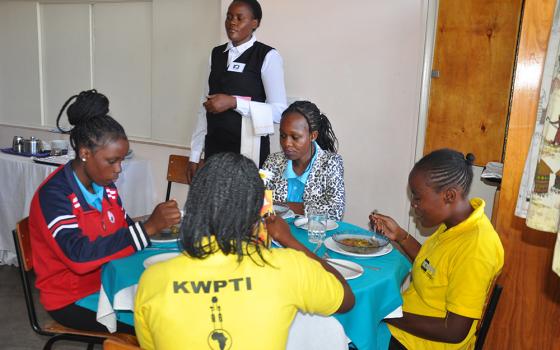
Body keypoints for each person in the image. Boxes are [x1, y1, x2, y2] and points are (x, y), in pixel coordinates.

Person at [134, 152, 354, 350]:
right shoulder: (288, 267)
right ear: (258, 210)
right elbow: (346, 299)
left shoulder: (153, 280)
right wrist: (288, 240)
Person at [28, 89, 181, 334]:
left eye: (122, 160)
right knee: (161, 324)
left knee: (175, 300)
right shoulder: (55, 196)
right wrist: (148, 227)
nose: (119, 169)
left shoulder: (105, 188)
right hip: (72, 298)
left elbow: (123, 230)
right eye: (112, 161)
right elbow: (79, 258)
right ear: (85, 153)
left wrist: (159, 228)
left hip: (109, 280)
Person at [369, 149, 504, 350]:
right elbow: (434, 269)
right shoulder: (455, 224)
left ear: (449, 195)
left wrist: (386, 313)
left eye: (417, 198)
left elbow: (454, 331)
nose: (413, 206)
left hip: (425, 343)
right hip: (408, 326)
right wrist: (401, 236)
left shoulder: (476, 248)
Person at [187, 0, 287, 182]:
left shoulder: (267, 56)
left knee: (246, 208)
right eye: (229, 17)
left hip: (249, 153)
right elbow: (204, 107)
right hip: (215, 151)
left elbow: (279, 112)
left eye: (239, 18)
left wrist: (233, 102)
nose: (232, 22)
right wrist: (194, 154)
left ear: (255, 23)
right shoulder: (216, 55)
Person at [261, 100, 345, 220]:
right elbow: (258, 200)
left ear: (313, 136)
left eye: (295, 137)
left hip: (313, 236)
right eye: (283, 136)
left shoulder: (331, 163)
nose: (286, 143)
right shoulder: (272, 162)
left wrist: (284, 206)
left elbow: (335, 211)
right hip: (276, 234)